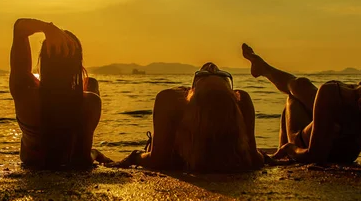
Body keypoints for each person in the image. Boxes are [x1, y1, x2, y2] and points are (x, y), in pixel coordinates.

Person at [241, 43, 361, 166]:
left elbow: (313, 156)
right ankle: (263, 68)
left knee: (293, 98)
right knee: (301, 85)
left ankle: (263, 68)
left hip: (309, 142)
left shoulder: (332, 93)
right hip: (335, 124)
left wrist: (289, 149)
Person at [111, 62, 265, 172]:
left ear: (191, 95)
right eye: (219, 74)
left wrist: (135, 156)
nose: (211, 66)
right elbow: (254, 158)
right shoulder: (240, 102)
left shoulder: (171, 101)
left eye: (203, 76)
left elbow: (158, 160)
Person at [9, 18, 105, 169]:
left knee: (90, 83)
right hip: (67, 162)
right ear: (77, 64)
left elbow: (19, 28)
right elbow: (82, 160)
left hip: (32, 162)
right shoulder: (90, 103)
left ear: (43, 59)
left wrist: (48, 28)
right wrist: (95, 153)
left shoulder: (24, 90)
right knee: (91, 83)